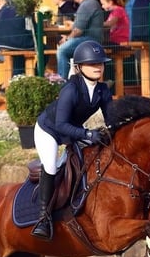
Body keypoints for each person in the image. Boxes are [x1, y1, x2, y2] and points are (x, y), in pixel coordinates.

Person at [31, 41, 112, 240]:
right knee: (51, 166)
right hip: (49, 130)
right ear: (79, 67)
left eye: (100, 63)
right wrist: (87, 134)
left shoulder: (102, 90)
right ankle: (43, 218)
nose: (97, 67)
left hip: (73, 131)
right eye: (92, 64)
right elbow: (60, 125)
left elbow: (112, 119)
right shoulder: (71, 90)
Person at [56, 0, 105, 79]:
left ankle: (62, 82)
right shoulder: (91, 3)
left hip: (90, 40)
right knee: (65, 47)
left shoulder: (87, 5)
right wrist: (69, 38)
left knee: (62, 50)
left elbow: (78, 30)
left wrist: (67, 39)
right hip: (91, 39)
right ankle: (74, 80)